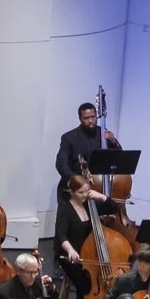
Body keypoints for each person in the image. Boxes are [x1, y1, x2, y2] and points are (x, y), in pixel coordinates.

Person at [53, 100, 120, 247]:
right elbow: (60, 163)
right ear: (80, 119)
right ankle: (61, 258)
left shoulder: (104, 135)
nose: (90, 121)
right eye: (86, 118)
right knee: (69, 230)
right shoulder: (69, 138)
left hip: (95, 189)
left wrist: (114, 142)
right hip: (74, 191)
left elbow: (118, 160)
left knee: (91, 227)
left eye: (93, 117)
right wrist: (76, 182)